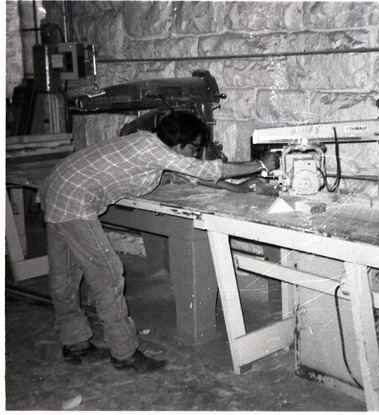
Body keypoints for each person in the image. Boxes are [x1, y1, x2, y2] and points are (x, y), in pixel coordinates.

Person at [38, 111, 279, 373]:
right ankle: (124, 353)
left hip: (58, 187)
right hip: (74, 200)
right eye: (195, 149)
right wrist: (260, 164)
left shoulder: (150, 143)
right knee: (107, 275)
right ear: (179, 146)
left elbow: (196, 176)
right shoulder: (154, 151)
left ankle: (74, 344)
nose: (197, 154)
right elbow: (207, 169)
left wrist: (240, 189)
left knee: (66, 274)